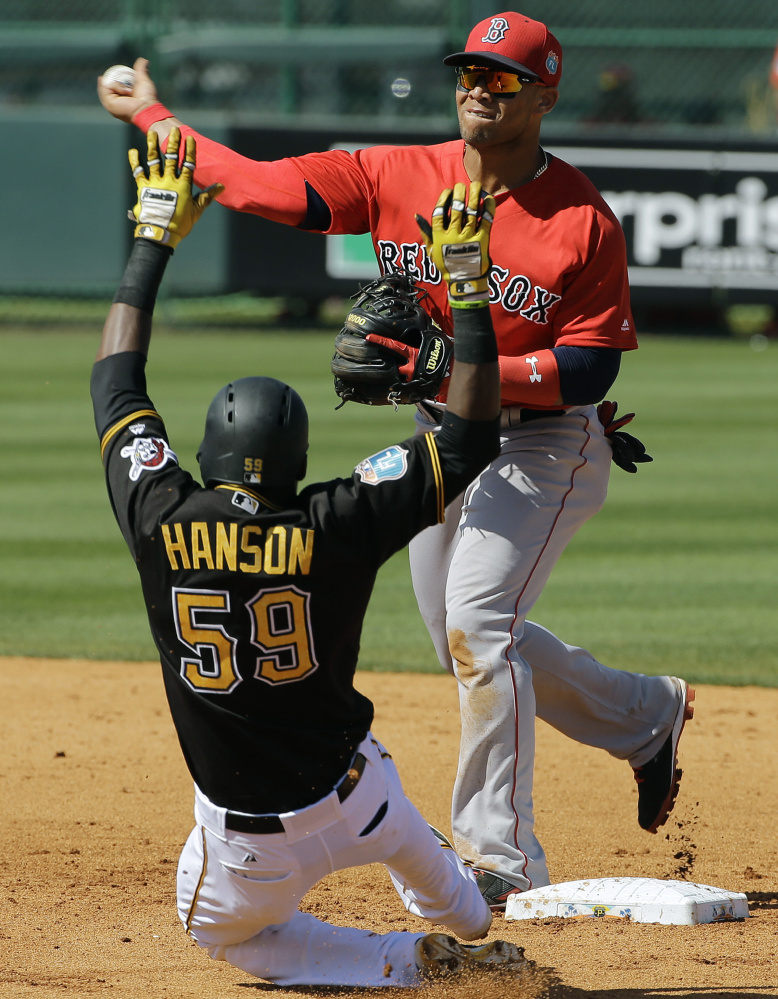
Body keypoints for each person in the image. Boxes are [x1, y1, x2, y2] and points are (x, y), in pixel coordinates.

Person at [97, 10, 694, 910]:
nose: (477, 91)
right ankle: (645, 716)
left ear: (546, 93)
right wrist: (150, 115)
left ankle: (499, 855)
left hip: (545, 440)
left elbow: (589, 367)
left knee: (477, 623)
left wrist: (449, 365)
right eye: (468, 74)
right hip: (444, 434)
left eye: (501, 79)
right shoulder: (396, 173)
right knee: (471, 635)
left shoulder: (581, 217)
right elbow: (254, 185)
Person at [91, 127, 539, 987]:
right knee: (474, 912)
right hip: (369, 807)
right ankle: (454, 914)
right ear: (297, 460)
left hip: (248, 852)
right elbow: (472, 435)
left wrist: (152, 233)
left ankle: (399, 966)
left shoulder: (159, 514)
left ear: (209, 454)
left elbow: (115, 381)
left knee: (220, 935)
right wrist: (470, 288)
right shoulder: (337, 517)